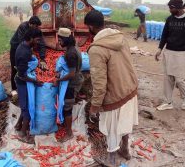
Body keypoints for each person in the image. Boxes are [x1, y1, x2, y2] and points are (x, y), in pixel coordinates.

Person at [84, 10, 139, 165]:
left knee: (112, 127)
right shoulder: (120, 38)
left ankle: (112, 158)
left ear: (90, 27)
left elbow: (99, 84)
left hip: (114, 94)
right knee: (125, 122)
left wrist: (94, 106)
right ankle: (125, 149)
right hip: (130, 88)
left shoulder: (96, 49)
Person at [155, 0, 185, 111]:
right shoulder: (170, 19)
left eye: (171, 8)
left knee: (179, 79)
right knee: (168, 78)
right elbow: (164, 35)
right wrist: (159, 49)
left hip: (182, 53)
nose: (170, 11)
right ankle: (168, 102)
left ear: (178, 8)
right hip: (169, 52)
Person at [53, 28, 84, 142]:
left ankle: (69, 133)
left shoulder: (71, 53)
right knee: (66, 105)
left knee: (67, 107)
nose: (59, 42)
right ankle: (65, 124)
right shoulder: (73, 48)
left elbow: (71, 74)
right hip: (75, 79)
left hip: (72, 83)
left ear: (65, 39)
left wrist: (59, 79)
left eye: (60, 40)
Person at [15, 28, 44, 144]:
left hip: (24, 80)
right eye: (37, 39)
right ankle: (22, 134)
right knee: (27, 107)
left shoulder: (24, 47)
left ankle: (18, 125)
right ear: (31, 38)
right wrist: (35, 81)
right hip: (23, 83)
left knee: (25, 105)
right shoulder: (24, 52)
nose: (37, 42)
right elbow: (22, 75)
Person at [10, 16, 47, 92]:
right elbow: (22, 42)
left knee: (25, 69)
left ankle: (25, 86)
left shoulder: (35, 30)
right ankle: (14, 89)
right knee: (15, 68)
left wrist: (42, 59)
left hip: (25, 49)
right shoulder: (23, 27)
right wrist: (31, 54)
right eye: (36, 26)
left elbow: (42, 43)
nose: (37, 28)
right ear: (31, 24)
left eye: (38, 26)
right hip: (16, 47)